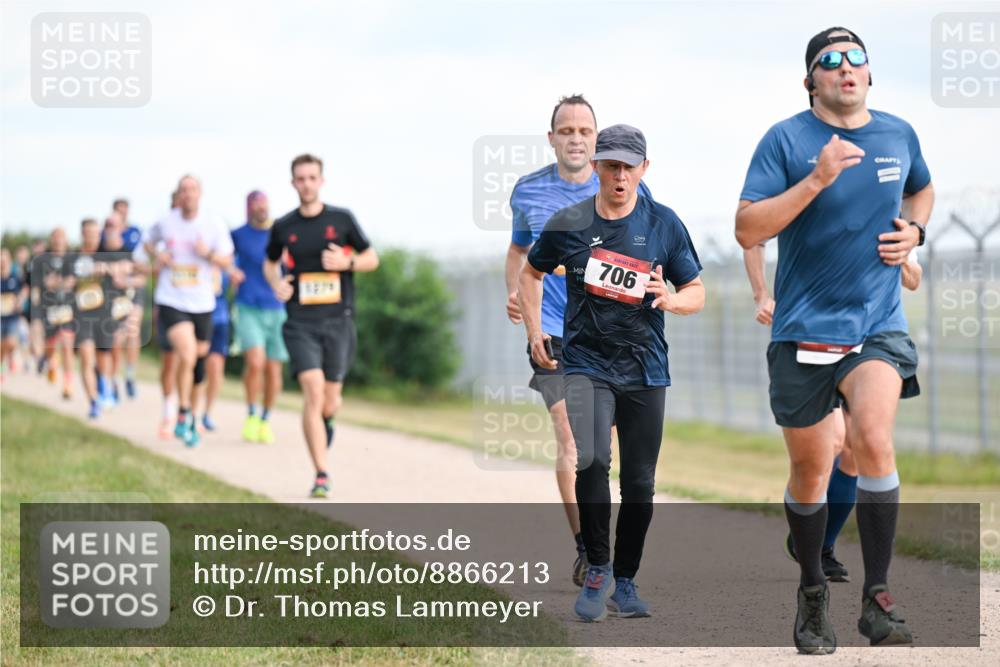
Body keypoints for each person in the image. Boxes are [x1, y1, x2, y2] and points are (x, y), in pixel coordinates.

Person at [735, 27, 933, 654]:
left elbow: (921, 188)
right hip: (803, 329)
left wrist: (915, 233)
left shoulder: (898, 134)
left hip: (877, 324)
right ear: (811, 80)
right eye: (830, 62)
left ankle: (877, 598)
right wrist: (816, 180)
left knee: (872, 437)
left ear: (869, 74)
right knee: (811, 471)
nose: (846, 69)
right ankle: (813, 587)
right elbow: (747, 228)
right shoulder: (786, 140)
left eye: (856, 60)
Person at [520, 125, 704, 621]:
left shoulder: (664, 224)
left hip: (645, 368)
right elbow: (531, 271)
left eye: (629, 166)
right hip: (585, 364)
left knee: (640, 483)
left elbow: (697, 290)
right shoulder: (569, 223)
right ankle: (597, 566)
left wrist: (672, 299)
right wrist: (536, 331)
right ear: (597, 167)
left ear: (645, 169)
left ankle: (626, 580)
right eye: (611, 165)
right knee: (592, 460)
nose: (619, 175)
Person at [506, 94, 654, 587]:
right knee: (573, 440)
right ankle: (589, 552)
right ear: (552, 139)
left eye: (583, 131)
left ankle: (600, 544)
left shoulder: (624, 182)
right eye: (565, 131)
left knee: (602, 449)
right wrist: (519, 300)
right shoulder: (528, 192)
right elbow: (519, 252)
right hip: (552, 332)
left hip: (612, 338)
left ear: (595, 141)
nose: (574, 138)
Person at [743, 243, 924, 583]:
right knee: (831, 444)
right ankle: (809, 542)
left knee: (857, 449)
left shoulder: (888, 212)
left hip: (869, 340)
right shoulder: (811, 196)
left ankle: (821, 547)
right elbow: (753, 236)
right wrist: (762, 295)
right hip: (814, 336)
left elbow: (914, 280)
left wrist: (901, 258)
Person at [265, 153, 379, 498]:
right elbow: (270, 264)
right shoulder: (284, 226)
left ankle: (325, 421)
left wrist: (347, 261)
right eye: (300, 179)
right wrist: (276, 284)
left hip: (338, 322)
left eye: (312, 178)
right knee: (312, 391)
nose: (306, 184)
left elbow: (372, 258)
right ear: (293, 183)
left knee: (331, 401)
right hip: (300, 322)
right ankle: (321, 473)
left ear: (321, 180)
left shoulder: (341, 219)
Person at [144, 175, 234, 446]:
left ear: (200, 193)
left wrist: (207, 254)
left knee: (198, 366)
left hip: (203, 302)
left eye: (192, 189)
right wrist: (158, 255)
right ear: (178, 195)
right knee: (187, 352)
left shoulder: (213, 223)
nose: (188, 194)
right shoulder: (166, 221)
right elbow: (148, 242)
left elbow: (227, 260)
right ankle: (181, 410)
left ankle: (192, 416)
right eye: (183, 190)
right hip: (172, 300)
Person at [230, 190, 288, 444]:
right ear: (249, 209)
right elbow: (224, 259)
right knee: (255, 362)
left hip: (277, 308)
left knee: (274, 370)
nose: (261, 209)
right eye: (257, 206)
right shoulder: (238, 235)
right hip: (248, 305)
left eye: (264, 205)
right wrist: (231, 271)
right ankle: (251, 414)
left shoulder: (281, 234)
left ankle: (265, 419)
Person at [110, 198, 146, 398]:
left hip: (133, 289)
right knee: (116, 338)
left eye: (124, 210)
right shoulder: (106, 235)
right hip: (114, 294)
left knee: (133, 330)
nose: (122, 214)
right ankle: (114, 378)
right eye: (118, 210)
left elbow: (143, 265)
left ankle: (130, 374)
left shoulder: (135, 234)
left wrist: (128, 273)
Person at [34, 228, 76, 399]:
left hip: (67, 308)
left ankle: (68, 383)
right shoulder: (42, 260)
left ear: (66, 240)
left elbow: (71, 282)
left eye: (62, 238)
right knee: (50, 345)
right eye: (56, 238)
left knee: (67, 343)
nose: (59, 241)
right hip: (49, 309)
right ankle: (51, 361)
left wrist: (55, 283)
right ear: (52, 240)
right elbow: (43, 283)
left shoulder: (71, 259)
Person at [196, 266, 230, 431]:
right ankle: (188, 409)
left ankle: (206, 414)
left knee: (215, 368)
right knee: (195, 365)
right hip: (197, 313)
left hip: (220, 317)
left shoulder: (227, 254)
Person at [1, 249, 27, 379]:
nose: (2, 262)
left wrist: (20, 300)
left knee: (10, 342)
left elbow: (24, 290)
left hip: (12, 317)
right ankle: (1, 367)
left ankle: (9, 356)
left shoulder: (15, 278)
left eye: (4, 259)